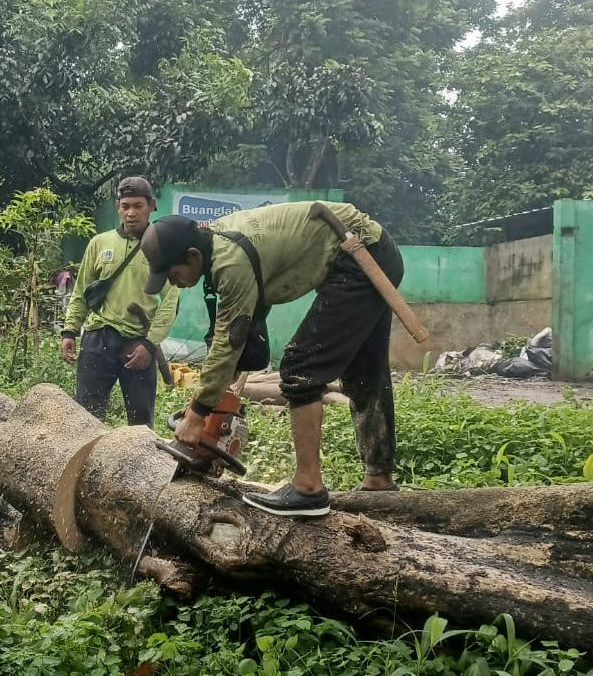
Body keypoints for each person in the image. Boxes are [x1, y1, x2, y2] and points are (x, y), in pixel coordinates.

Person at [141, 202, 404, 516]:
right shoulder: (214, 243)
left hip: (360, 253)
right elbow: (241, 342)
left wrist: (197, 415)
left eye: (173, 274)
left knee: (299, 367)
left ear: (192, 256)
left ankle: (308, 488)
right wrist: (217, 404)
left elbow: (229, 341)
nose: (173, 282)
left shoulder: (229, 263)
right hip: (372, 248)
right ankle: (379, 481)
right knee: (365, 371)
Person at [60, 177, 179, 426]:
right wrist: (69, 331)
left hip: (138, 344)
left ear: (152, 206)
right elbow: (81, 291)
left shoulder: (162, 248)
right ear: (118, 207)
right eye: (125, 206)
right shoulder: (99, 243)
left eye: (138, 206)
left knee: (140, 425)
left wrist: (149, 344)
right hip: (97, 339)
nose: (131, 213)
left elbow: (170, 301)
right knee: (87, 419)